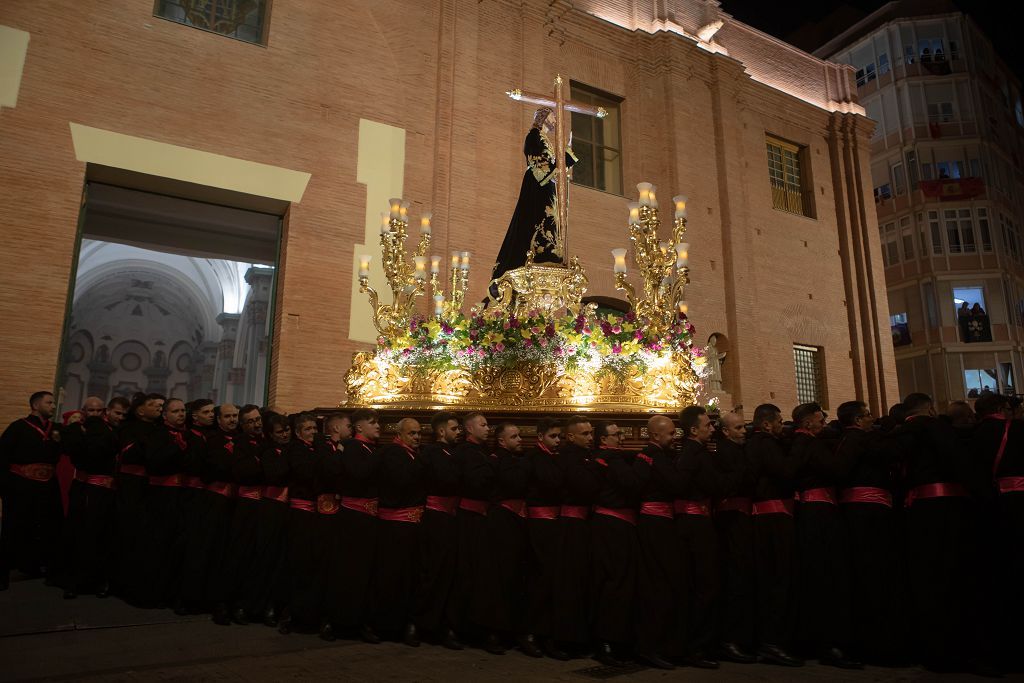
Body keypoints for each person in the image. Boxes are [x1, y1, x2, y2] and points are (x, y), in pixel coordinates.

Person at [893, 392, 989, 673]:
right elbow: (961, 464)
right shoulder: (936, 430)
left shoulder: (898, 434)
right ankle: (953, 650)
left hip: (913, 512)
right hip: (945, 512)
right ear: (930, 410)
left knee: (924, 581)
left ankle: (930, 648)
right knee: (952, 577)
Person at [834, 400, 906, 664]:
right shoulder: (856, 439)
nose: (871, 418)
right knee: (871, 576)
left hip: (869, 513)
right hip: (864, 516)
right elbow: (841, 470)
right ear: (856, 420)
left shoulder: (857, 439)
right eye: (866, 415)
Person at [789, 402, 860, 669]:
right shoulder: (808, 443)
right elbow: (836, 469)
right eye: (820, 420)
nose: (824, 423)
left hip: (815, 512)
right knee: (826, 576)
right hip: (818, 515)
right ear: (807, 423)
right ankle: (828, 643)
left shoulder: (801, 442)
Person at [677, 405, 740, 669]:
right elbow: (717, 485)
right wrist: (739, 472)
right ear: (693, 430)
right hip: (697, 526)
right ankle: (697, 648)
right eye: (708, 426)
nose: (712, 429)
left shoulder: (689, 452)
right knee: (705, 585)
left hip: (692, 522)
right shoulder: (697, 455)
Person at [490, 107, 578, 286]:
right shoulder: (534, 136)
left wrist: (565, 156)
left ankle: (550, 252)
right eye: (552, 117)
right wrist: (565, 157)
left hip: (547, 186)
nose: (554, 121)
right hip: (537, 185)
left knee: (551, 218)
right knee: (536, 217)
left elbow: (555, 168)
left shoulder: (544, 139)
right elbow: (543, 167)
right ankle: (537, 252)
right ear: (543, 118)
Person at [745, 404, 803, 666]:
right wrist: (801, 445)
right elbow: (786, 472)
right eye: (779, 421)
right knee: (777, 580)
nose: (782, 425)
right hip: (773, 520)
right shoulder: (765, 443)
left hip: (768, 518)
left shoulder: (758, 443)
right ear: (766, 424)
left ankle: (770, 641)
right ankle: (773, 643)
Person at [634, 414, 685, 670]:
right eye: (670, 434)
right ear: (655, 435)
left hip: (662, 523)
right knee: (657, 585)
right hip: (655, 526)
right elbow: (676, 484)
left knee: (665, 584)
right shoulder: (651, 457)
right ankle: (650, 646)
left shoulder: (657, 457)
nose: (675, 437)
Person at [589, 421, 642, 667]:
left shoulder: (609, 459)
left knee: (619, 582)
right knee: (615, 583)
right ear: (603, 440)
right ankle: (608, 641)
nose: (621, 437)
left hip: (616, 525)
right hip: (613, 527)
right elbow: (633, 484)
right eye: (616, 434)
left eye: (621, 433)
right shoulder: (610, 459)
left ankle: (616, 638)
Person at [58, 394, 120, 598]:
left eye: (98, 411)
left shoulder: (110, 431)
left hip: (102, 492)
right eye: (90, 410)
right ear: (84, 411)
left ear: (104, 412)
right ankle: (72, 581)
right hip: (82, 488)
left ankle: (97, 581)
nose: (94, 414)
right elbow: (72, 452)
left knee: (100, 535)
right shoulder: (76, 429)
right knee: (77, 534)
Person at [0, 391, 62, 591]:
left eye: (54, 403)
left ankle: (36, 566)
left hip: (47, 488)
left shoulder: (57, 430)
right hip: (21, 487)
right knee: (13, 528)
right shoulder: (18, 428)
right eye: (49, 402)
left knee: (45, 528)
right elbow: (2, 458)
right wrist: (6, 487)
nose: (53, 406)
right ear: (35, 405)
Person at [374, 418, 426, 646]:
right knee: (392, 577)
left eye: (419, 434)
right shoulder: (392, 453)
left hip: (412, 526)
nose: (416, 438)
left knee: (411, 577)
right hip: (394, 527)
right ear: (400, 434)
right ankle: (387, 625)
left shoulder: (415, 455)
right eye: (412, 433)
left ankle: (407, 623)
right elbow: (402, 481)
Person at [330, 409, 381, 642]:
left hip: (369, 518)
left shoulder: (371, 449)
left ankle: (361, 620)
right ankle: (341, 621)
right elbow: (357, 474)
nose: (378, 426)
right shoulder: (352, 447)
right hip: (353, 518)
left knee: (366, 572)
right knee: (350, 572)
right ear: (359, 428)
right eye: (373, 423)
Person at [135, 398, 191, 607]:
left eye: (183, 410)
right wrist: (176, 448)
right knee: (159, 546)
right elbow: (154, 462)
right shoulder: (157, 433)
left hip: (181, 497)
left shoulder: (188, 434)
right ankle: (154, 594)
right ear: (165, 415)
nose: (181, 414)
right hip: (161, 497)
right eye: (175, 411)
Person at [552, 416, 601, 657]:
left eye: (591, 433)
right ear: (570, 436)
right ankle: (565, 639)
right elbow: (587, 486)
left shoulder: (583, 457)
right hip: (571, 525)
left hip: (582, 523)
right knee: (570, 583)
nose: (591, 438)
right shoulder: (569, 457)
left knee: (582, 581)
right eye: (585, 434)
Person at [483, 423, 533, 655]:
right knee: (501, 577)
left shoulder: (513, 459)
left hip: (516, 522)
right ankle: (496, 631)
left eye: (520, 435)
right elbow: (514, 484)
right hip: (502, 523)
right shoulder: (499, 460)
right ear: (502, 441)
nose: (520, 439)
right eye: (514, 436)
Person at [279, 413, 331, 635]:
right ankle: (295, 614)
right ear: (299, 432)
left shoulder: (318, 449)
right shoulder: (295, 450)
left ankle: (313, 614)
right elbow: (307, 473)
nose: (313, 433)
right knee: (300, 565)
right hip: (300, 514)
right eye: (308, 429)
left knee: (316, 565)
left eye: (314, 428)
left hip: (318, 513)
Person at [415, 411, 463, 649]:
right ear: (441, 431)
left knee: (449, 574)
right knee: (432, 572)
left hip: (451, 518)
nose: (458, 432)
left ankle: (444, 624)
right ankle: (426, 624)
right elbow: (447, 480)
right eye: (454, 429)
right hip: (435, 518)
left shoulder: (454, 453)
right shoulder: (432, 453)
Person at [712, 411, 757, 663]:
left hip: (743, 516)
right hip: (731, 519)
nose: (743, 431)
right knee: (735, 578)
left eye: (743, 427)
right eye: (738, 428)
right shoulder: (724, 452)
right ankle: (730, 640)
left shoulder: (739, 450)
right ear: (726, 431)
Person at [453, 412, 498, 652]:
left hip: (482, 519)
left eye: (488, 424)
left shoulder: (481, 452)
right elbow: (478, 482)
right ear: (469, 429)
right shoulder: (465, 453)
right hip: (468, 520)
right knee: (469, 575)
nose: (488, 428)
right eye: (483, 424)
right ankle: (467, 628)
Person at [114, 392, 163, 604]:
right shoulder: (128, 429)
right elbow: (129, 453)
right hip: (131, 487)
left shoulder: (160, 430)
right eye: (153, 405)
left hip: (151, 489)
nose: (158, 409)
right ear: (140, 410)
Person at [524, 417, 566, 659]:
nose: (557, 441)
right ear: (540, 436)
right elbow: (550, 484)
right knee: (539, 579)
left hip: (554, 524)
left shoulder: (554, 457)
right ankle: (532, 633)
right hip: (538, 524)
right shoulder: (533, 458)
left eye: (559, 436)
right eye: (553, 436)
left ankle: (548, 634)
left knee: (552, 580)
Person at [221, 404, 266, 624]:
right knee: (240, 556)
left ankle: (254, 605)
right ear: (242, 424)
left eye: (258, 419)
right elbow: (244, 472)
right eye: (251, 421)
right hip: (245, 507)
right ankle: (232, 604)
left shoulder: (267, 441)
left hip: (264, 507)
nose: (256, 424)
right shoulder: (238, 443)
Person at [253, 411, 291, 627]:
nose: (285, 435)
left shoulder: (292, 450)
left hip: (288, 510)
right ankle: (265, 604)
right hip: (272, 509)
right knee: (269, 558)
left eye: (287, 430)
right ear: (270, 434)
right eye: (280, 432)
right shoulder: (268, 452)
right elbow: (275, 475)